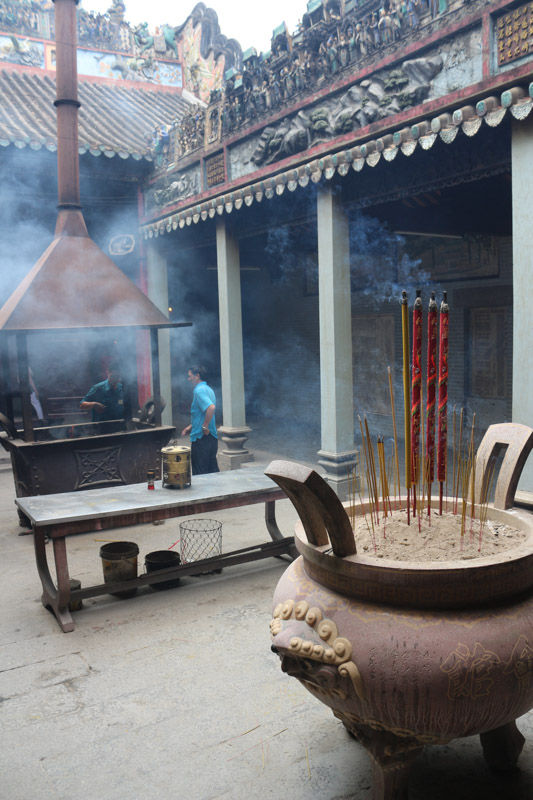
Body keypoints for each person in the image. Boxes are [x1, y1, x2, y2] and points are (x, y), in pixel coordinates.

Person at [181, 365, 219, 475]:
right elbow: (202, 413)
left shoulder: (199, 391)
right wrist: (190, 426)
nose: (189, 379)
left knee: (200, 474)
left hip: (201, 438)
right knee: (212, 471)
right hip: (212, 438)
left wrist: (204, 426)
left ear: (197, 376)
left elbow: (211, 408)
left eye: (190, 376)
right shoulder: (208, 389)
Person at [80, 362, 130, 430]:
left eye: (117, 377)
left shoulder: (121, 388)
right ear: (107, 373)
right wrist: (94, 404)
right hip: (101, 428)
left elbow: (125, 406)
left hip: (119, 427)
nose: (114, 379)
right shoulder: (98, 388)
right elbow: (82, 404)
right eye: (112, 376)